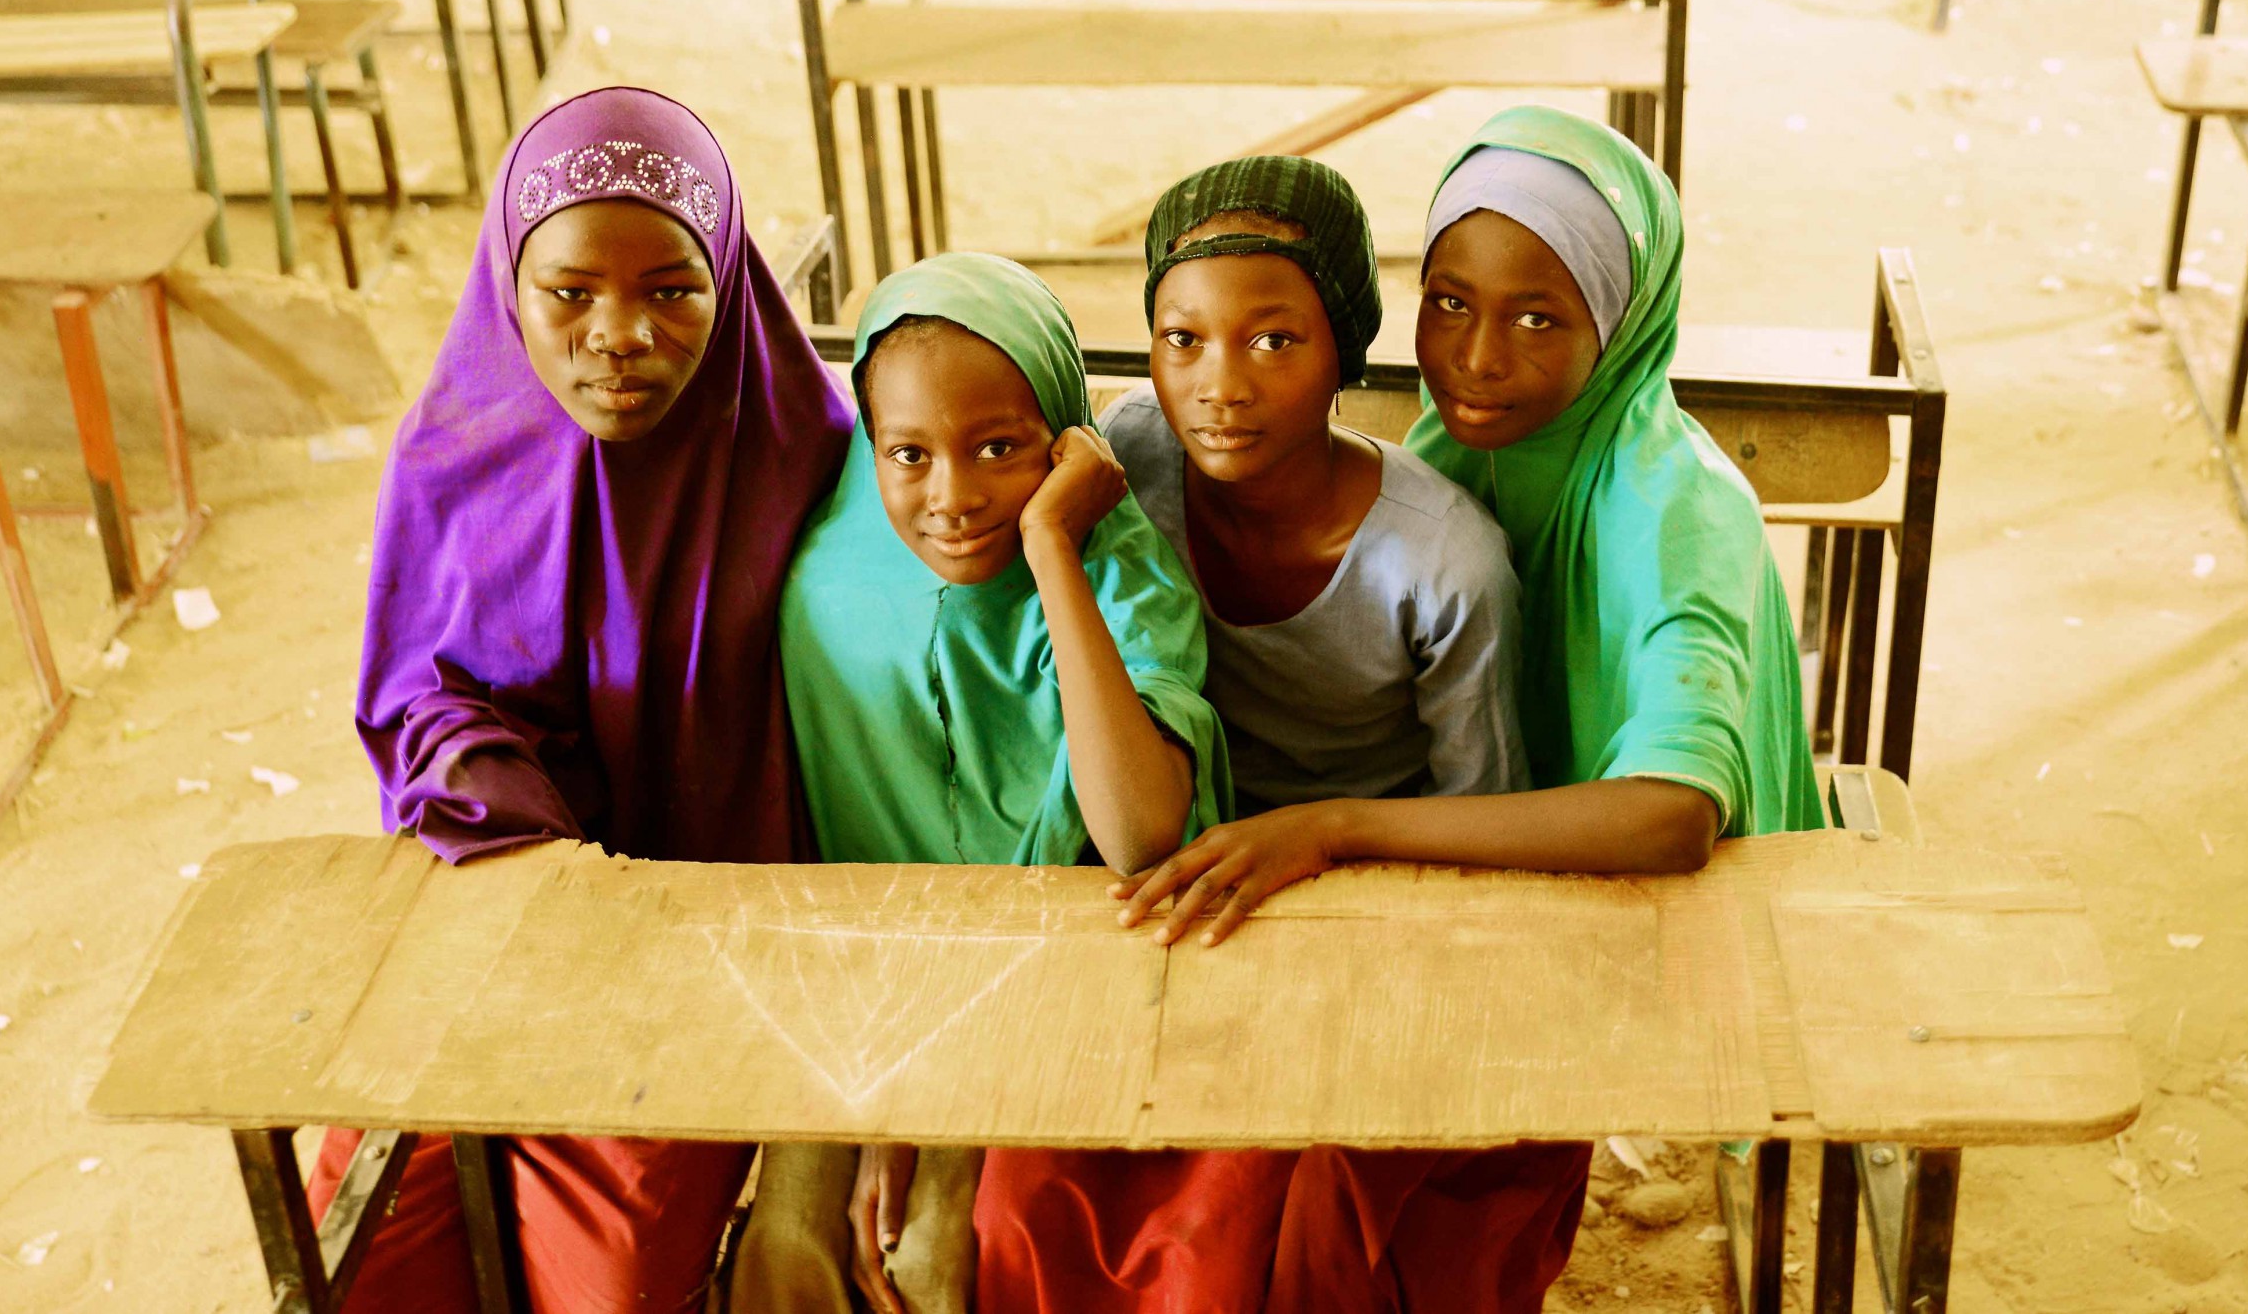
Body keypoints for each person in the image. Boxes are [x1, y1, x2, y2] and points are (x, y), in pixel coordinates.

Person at [1115, 105, 1824, 1314]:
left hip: (1635, 904)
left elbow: (1670, 818)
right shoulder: (1464, 437)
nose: (1476, 357)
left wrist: (1338, 826)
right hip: (1480, 847)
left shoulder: (1673, 505)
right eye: (1449, 302)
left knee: (1353, 1215)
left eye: (1539, 316)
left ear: (1623, 316)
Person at [310, 87, 854, 1314]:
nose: (619, 333)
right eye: (570, 293)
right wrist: (510, 824)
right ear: (511, 284)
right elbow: (421, 697)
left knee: (607, 1265)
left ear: (727, 278)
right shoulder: (449, 457)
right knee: (366, 1226)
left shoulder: (804, 450)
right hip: (501, 887)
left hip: (717, 931)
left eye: (672, 287)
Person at [973, 156, 1527, 1314]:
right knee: (1036, 1185)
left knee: (1286, 1211)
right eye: (1181, 340)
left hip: (1376, 896)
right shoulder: (1128, 472)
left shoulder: (1444, 560)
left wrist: (1328, 860)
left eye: (1273, 341)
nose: (1218, 384)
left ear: (1348, 351)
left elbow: (1483, 830)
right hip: (1176, 873)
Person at [732, 250, 1227, 1314]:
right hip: (869, 975)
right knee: (786, 1243)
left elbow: (1140, 833)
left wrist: (1053, 546)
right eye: (907, 452)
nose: (952, 496)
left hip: (1072, 971)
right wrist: (884, 1105)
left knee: (939, 1247)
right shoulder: (829, 579)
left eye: (999, 448)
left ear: (1063, 437)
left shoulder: (1122, 578)